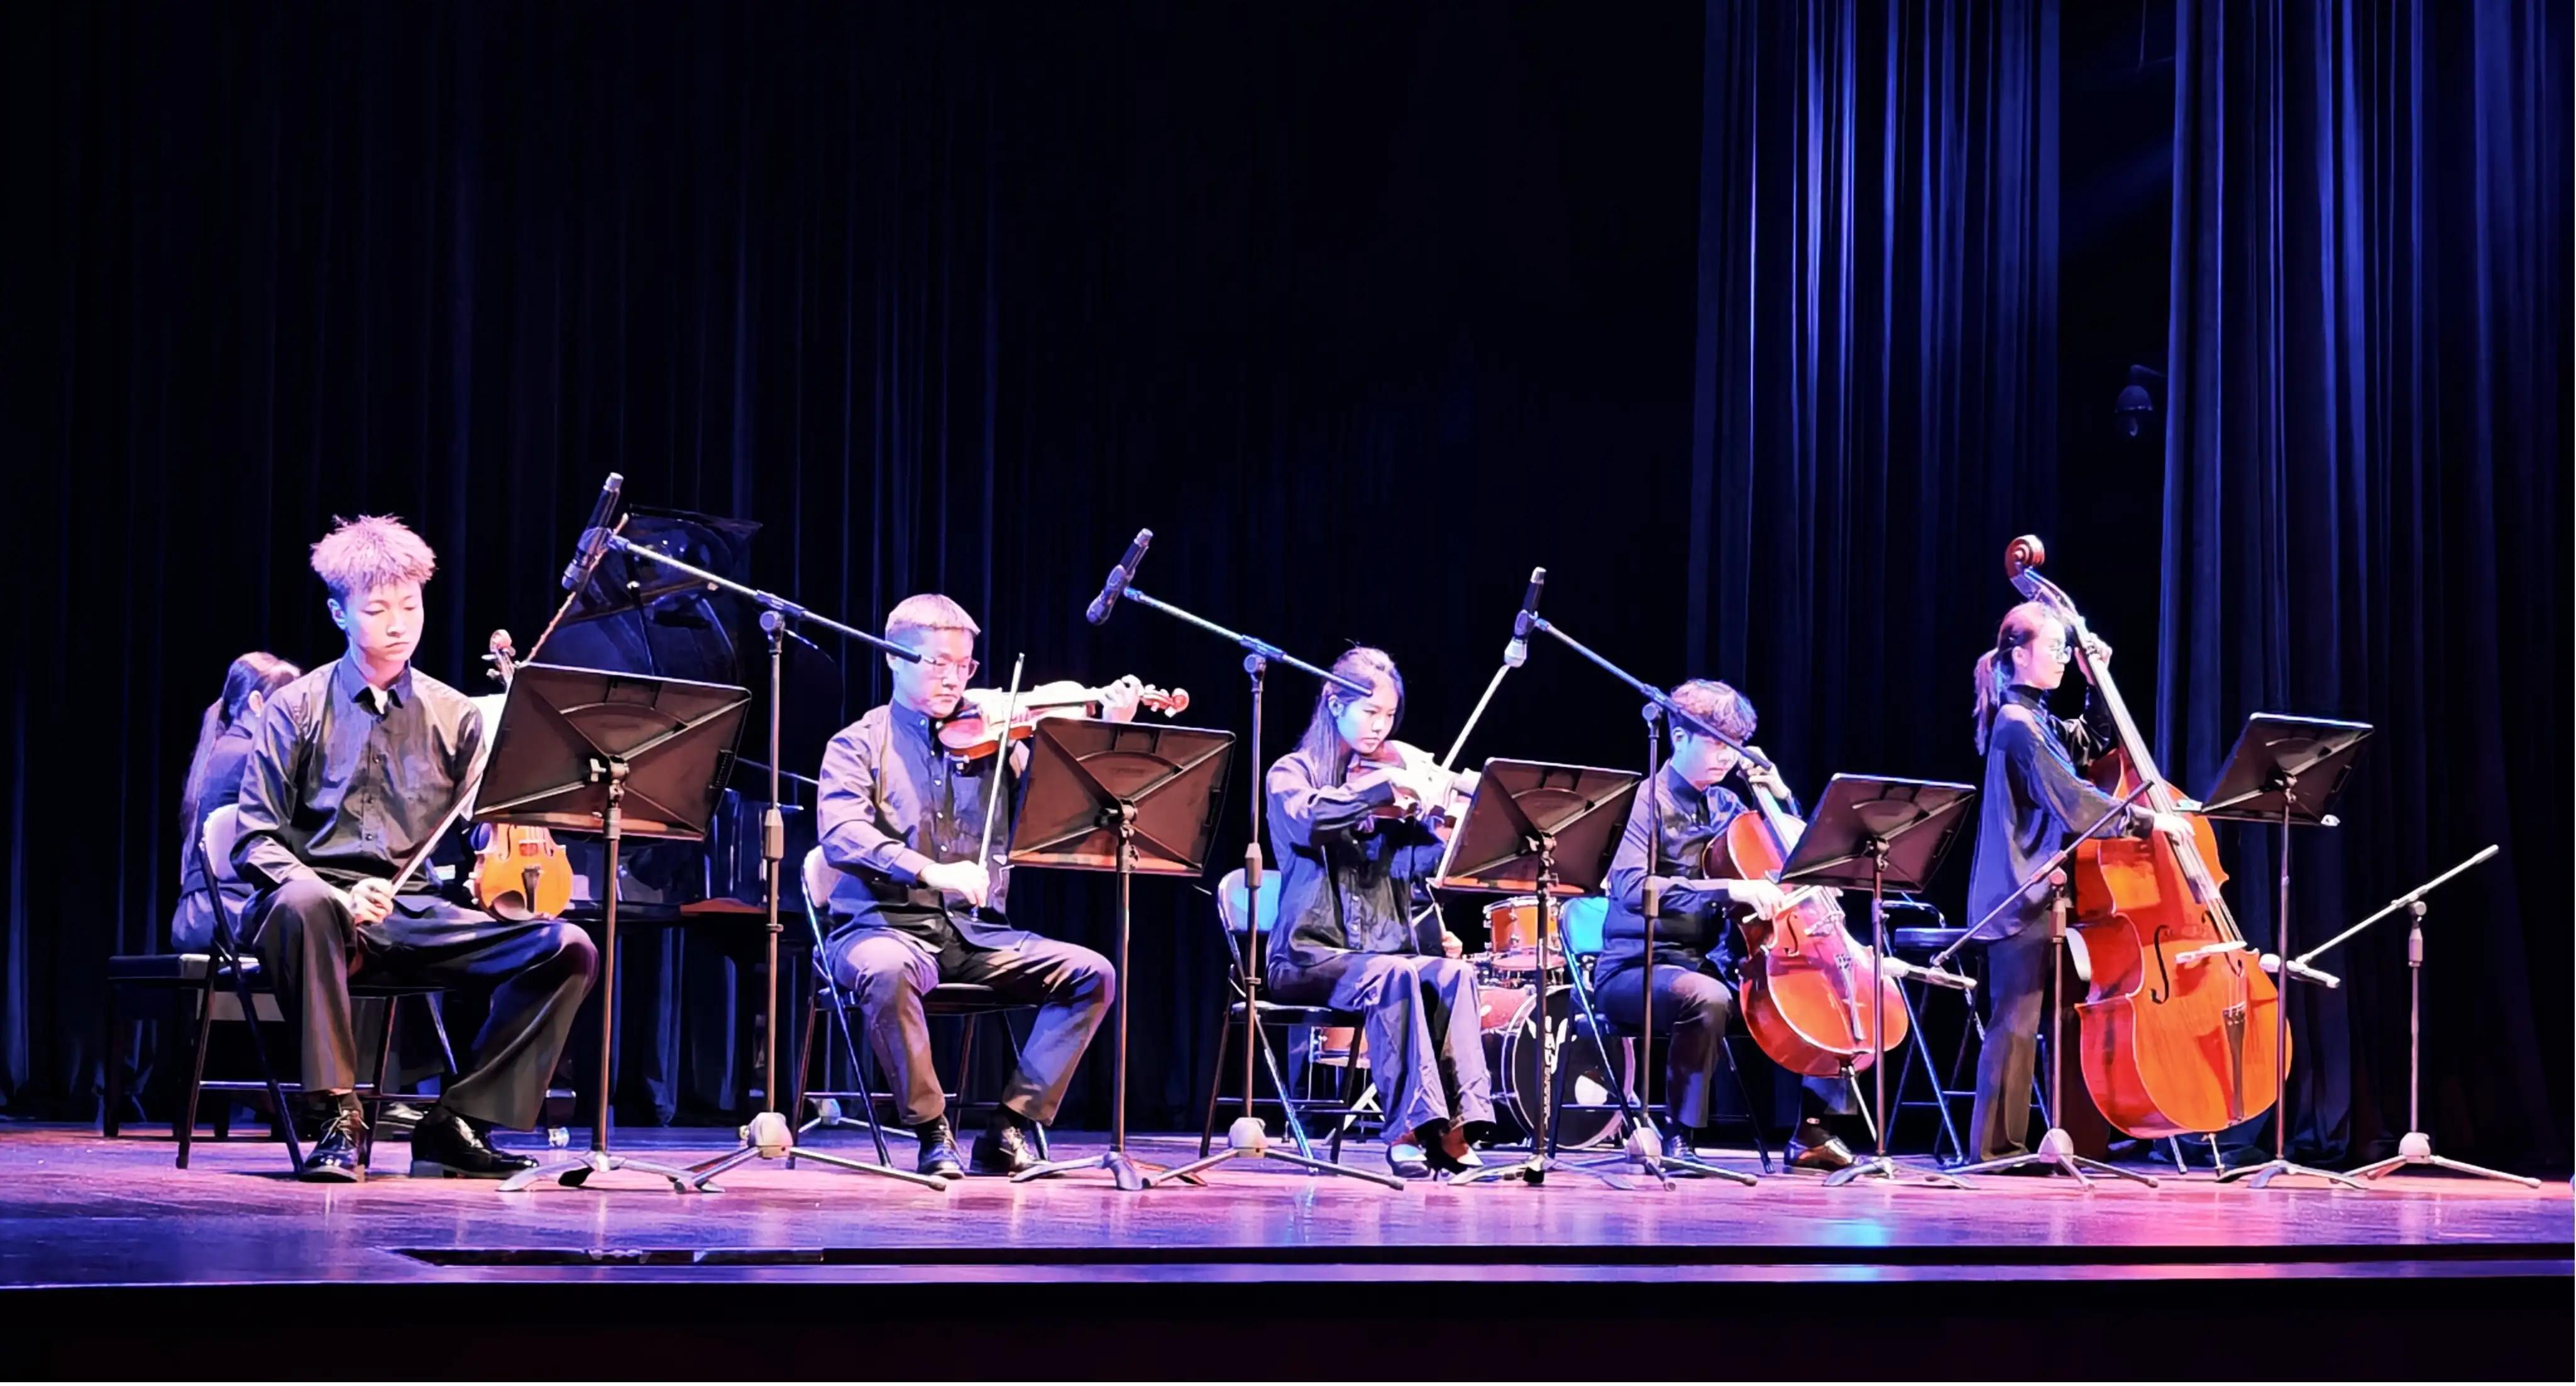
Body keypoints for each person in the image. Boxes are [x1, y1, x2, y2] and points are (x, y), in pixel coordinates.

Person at [234, 515, 599, 1182]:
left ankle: (458, 1122)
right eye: (377, 610)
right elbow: (255, 836)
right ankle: (336, 1119)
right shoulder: (296, 707)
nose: (399, 624)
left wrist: (520, 804)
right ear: (339, 614)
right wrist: (341, 893)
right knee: (306, 904)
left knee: (568, 947)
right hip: (314, 912)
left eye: (411, 606)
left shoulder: (455, 714)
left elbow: (482, 829)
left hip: (413, 911)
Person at [815, 593, 1138, 1179]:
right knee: (887, 970)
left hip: (975, 934)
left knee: (1093, 973)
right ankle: (931, 1130)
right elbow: (841, 834)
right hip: (881, 927)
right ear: (894, 657)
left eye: (964, 665)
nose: (955, 679)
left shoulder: (999, 743)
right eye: (938, 662)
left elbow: (1069, 813)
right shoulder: (857, 744)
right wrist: (929, 870)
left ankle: (1010, 1126)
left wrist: (1107, 731)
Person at [1594, 679, 1866, 1173]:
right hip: (1637, 967)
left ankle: (1812, 1132)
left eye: (1735, 744)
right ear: (1680, 737)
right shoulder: (1643, 801)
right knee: (1708, 996)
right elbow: (1633, 888)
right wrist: (1730, 889)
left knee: (1833, 988)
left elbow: (1795, 859)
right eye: (1718, 742)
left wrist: (1780, 796)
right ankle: (1679, 1135)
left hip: (1710, 964)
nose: (1728, 755)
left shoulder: (1727, 806)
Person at [1962, 602, 2191, 1164]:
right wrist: (2149, 820)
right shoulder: (2017, 725)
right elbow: (2075, 799)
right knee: (2015, 1025)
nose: (2064, 657)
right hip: (2019, 893)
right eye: (2055, 648)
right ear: (2020, 655)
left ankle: (2073, 1141)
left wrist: (2096, 684)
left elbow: (2087, 743)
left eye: (2068, 648)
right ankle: (1995, 1151)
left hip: (2048, 893)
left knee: (2063, 1019)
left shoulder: (2037, 719)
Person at [1263, 647, 1492, 1180]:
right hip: (1307, 955)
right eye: (1370, 712)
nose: (1380, 727)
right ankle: (1407, 1133)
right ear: (1333, 703)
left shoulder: (1394, 789)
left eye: (1389, 715)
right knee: (1395, 974)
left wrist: (1453, 830)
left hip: (1381, 954)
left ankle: (1457, 1131)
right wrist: (1378, 788)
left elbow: (1422, 869)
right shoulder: (1292, 774)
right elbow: (1308, 822)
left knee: (1454, 974)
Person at [172, 652, 300, 950]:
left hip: (204, 911)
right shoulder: (248, 756)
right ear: (258, 704)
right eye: (291, 707)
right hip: (227, 912)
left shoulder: (224, 749)